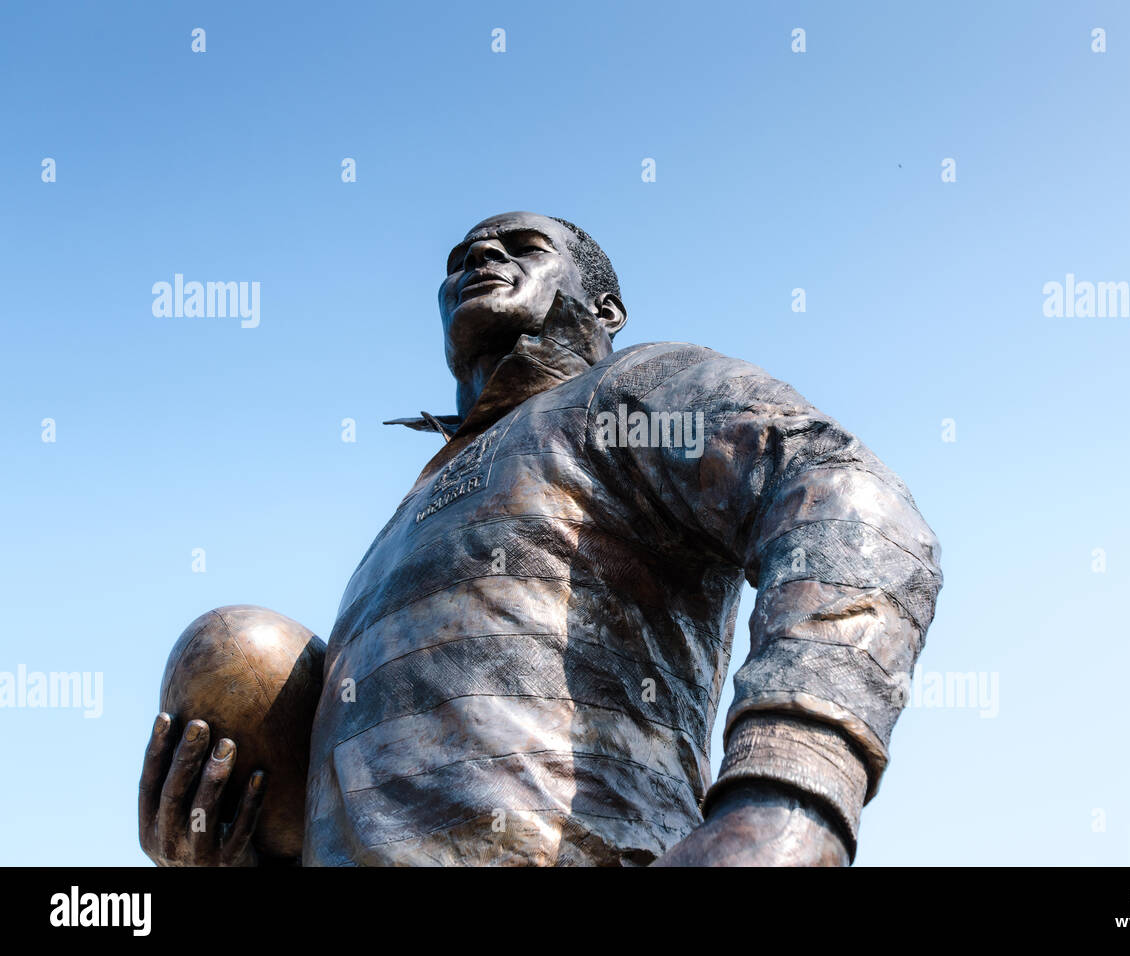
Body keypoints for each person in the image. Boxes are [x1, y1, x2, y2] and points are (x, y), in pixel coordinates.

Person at [138, 212, 942, 866]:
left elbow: (844, 497)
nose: (478, 255)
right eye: (457, 257)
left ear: (605, 310)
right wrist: (232, 848)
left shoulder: (628, 393)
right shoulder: (402, 520)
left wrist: (791, 790)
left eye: (523, 245)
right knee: (243, 649)